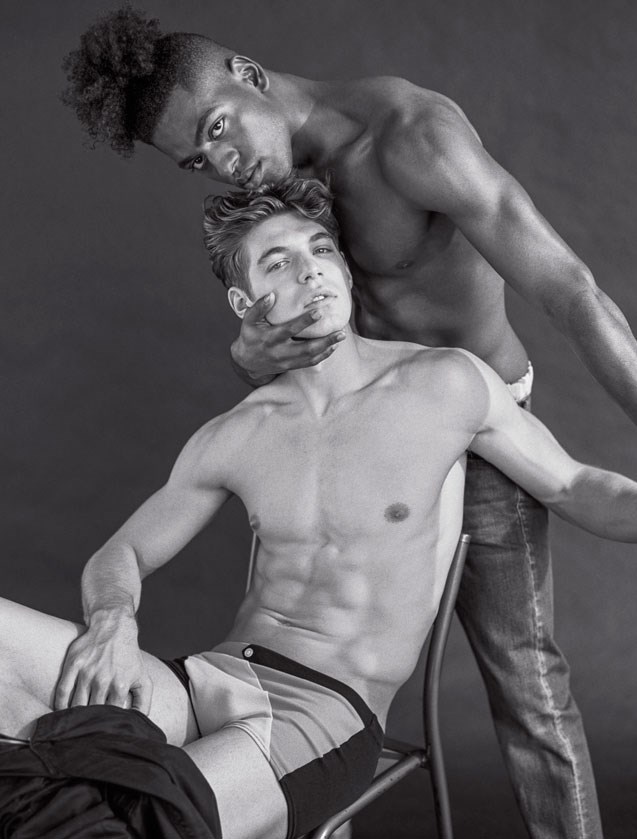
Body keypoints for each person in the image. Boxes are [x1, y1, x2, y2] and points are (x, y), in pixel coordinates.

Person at [60, 9, 637, 838]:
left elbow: (570, 291)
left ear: (249, 75)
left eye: (218, 129)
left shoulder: (411, 138)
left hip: (478, 422)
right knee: (312, 658)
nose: (224, 165)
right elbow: (278, 351)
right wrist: (250, 353)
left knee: (527, 683)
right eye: (198, 160)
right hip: (360, 436)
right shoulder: (271, 187)